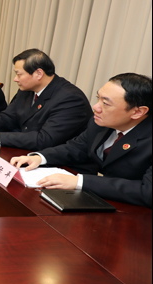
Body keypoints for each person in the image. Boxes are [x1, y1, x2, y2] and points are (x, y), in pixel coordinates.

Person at [11, 73, 151, 208]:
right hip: (105, 201)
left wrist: (80, 182)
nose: (96, 107)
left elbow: (147, 191)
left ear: (138, 112)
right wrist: (40, 158)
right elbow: (76, 147)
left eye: (105, 103)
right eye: (98, 98)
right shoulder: (100, 123)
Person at [0, 49, 92, 150]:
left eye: (19, 74)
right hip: (28, 151)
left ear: (38, 74)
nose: (15, 79)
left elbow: (45, 139)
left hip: (62, 164)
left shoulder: (70, 99)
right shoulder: (27, 89)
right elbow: (9, 116)